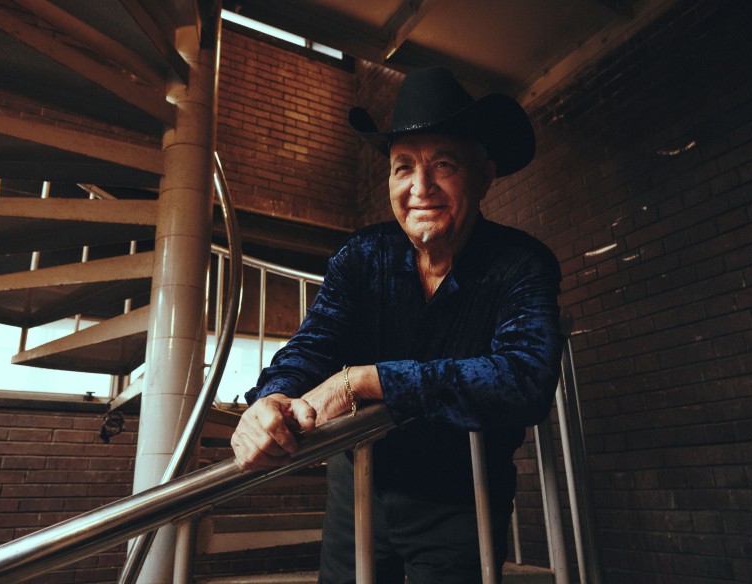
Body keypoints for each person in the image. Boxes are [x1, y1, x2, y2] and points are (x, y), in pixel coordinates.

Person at [230, 67, 564, 583]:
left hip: (463, 496)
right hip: (359, 486)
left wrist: (364, 381)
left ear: (483, 175)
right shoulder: (361, 255)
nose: (420, 188)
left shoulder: (522, 263)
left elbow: (524, 380)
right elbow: (313, 344)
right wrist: (271, 397)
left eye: (443, 165)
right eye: (403, 167)